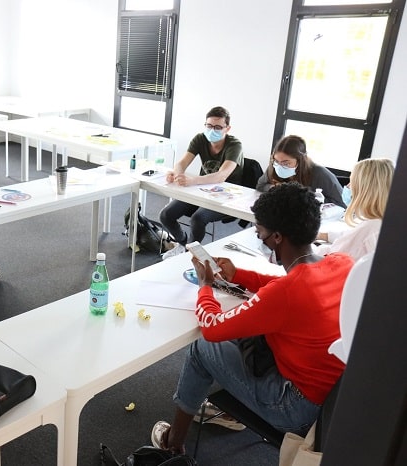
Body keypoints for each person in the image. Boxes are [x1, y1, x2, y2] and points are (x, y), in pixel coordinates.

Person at [150, 182, 352, 454]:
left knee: (202, 348)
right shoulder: (341, 263)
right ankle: (229, 407)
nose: (260, 239)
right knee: (241, 337)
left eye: (261, 234)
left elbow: (211, 327)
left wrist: (205, 286)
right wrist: (240, 275)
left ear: (277, 237)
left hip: (295, 409)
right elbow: (289, 286)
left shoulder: (286, 293)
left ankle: (172, 444)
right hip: (334, 402)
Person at [159, 106, 244, 252]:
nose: (212, 130)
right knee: (166, 215)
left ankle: (190, 254)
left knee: (198, 218)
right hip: (203, 190)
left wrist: (192, 180)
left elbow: (221, 176)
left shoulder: (235, 145)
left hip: (226, 196)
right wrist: (177, 174)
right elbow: (181, 163)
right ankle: (183, 245)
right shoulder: (200, 138)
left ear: (227, 128)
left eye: (218, 127)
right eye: (209, 126)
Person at [315, 158, 393, 260]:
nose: (347, 186)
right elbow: (350, 237)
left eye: (351, 182)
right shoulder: (383, 223)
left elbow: (330, 255)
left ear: (365, 190)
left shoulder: (370, 228)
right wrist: (322, 235)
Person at [256, 134, 345, 208]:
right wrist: (274, 187)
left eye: (286, 163)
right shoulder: (275, 166)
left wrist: (307, 197)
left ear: (300, 161)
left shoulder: (320, 174)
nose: (280, 166)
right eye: (276, 161)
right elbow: (260, 185)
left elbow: (342, 204)